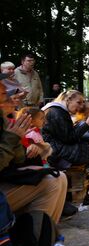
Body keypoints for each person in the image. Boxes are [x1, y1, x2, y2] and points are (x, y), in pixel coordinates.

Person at [0, 78, 67, 224]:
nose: (15, 102)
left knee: (58, 176)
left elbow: (18, 159)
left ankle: (45, 237)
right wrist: (12, 138)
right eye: (7, 96)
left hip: (7, 179)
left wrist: (17, 139)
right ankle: (37, 241)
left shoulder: (7, 121)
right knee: (52, 181)